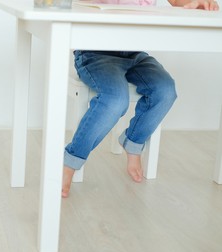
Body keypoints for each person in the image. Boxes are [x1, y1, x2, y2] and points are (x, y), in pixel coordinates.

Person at [62, 0, 219, 198]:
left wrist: (192, 3)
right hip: (95, 53)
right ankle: (70, 162)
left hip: (135, 54)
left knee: (165, 90)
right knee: (116, 99)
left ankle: (133, 143)